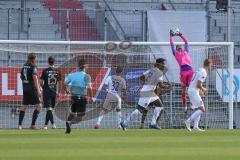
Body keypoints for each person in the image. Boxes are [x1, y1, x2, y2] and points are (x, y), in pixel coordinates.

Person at [120, 58, 170, 131]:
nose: (164, 66)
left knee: (159, 105)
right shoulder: (160, 73)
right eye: (163, 64)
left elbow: (141, 77)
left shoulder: (150, 70)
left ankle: (153, 123)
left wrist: (144, 84)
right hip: (148, 92)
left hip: (149, 91)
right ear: (160, 64)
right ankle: (125, 122)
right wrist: (168, 86)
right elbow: (161, 85)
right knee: (140, 110)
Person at [64, 59, 93, 134]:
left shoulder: (72, 75)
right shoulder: (87, 76)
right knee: (81, 116)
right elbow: (89, 88)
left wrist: (67, 91)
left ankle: (68, 122)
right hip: (82, 97)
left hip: (73, 97)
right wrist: (91, 97)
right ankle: (70, 123)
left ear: (78, 66)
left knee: (73, 113)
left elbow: (65, 84)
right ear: (85, 66)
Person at [170, 29, 195, 113]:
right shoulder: (175, 53)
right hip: (183, 73)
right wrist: (171, 36)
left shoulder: (186, 52)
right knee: (184, 90)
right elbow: (172, 44)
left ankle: (192, 104)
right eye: (179, 48)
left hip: (190, 71)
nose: (180, 49)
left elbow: (186, 42)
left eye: (181, 47)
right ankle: (185, 106)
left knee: (191, 88)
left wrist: (180, 35)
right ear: (177, 49)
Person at [185, 59, 212, 132]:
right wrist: (203, 89)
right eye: (211, 65)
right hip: (193, 91)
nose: (211, 67)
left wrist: (200, 91)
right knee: (202, 109)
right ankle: (188, 121)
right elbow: (198, 84)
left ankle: (195, 127)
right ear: (209, 65)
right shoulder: (204, 72)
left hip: (193, 90)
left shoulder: (199, 70)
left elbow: (195, 82)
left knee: (199, 108)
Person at [18, 53, 42, 129]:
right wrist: (38, 90)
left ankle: (19, 125)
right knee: (38, 106)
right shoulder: (33, 66)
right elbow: (35, 77)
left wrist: (26, 82)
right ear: (33, 59)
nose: (36, 60)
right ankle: (33, 125)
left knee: (24, 106)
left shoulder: (24, 66)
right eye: (36, 59)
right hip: (32, 89)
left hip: (25, 88)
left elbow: (21, 77)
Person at [40, 56, 61, 130]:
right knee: (50, 109)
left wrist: (44, 88)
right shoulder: (57, 71)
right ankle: (46, 125)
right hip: (54, 92)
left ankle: (53, 124)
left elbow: (40, 82)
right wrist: (58, 91)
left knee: (49, 109)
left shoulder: (45, 71)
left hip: (47, 92)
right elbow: (59, 82)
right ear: (54, 62)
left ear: (48, 62)